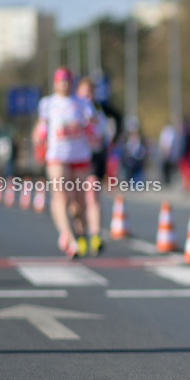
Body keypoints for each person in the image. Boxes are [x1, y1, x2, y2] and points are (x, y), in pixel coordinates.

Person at [34, 68, 95, 258]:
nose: (64, 84)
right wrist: (38, 139)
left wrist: (90, 128)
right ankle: (67, 235)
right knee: (60, 194)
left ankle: (79, 230)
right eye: (61, 81)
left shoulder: (82, 103)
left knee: (78, 202)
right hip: (57, 155)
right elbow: (41, 127)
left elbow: (95, 125)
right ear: (55, 83)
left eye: (68, 81)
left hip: (79, 157)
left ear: (72, 83)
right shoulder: (48, 103)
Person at [75, 77, 108, 256]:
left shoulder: (100, 109)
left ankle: (96, 235)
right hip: (76, 158)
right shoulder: (72, 108)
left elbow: (115, 121)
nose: (88, 96)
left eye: (91, 92)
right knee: (78, 200)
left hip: (95, 158)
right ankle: (80, 236)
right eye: (85, 92)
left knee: (93, 194)